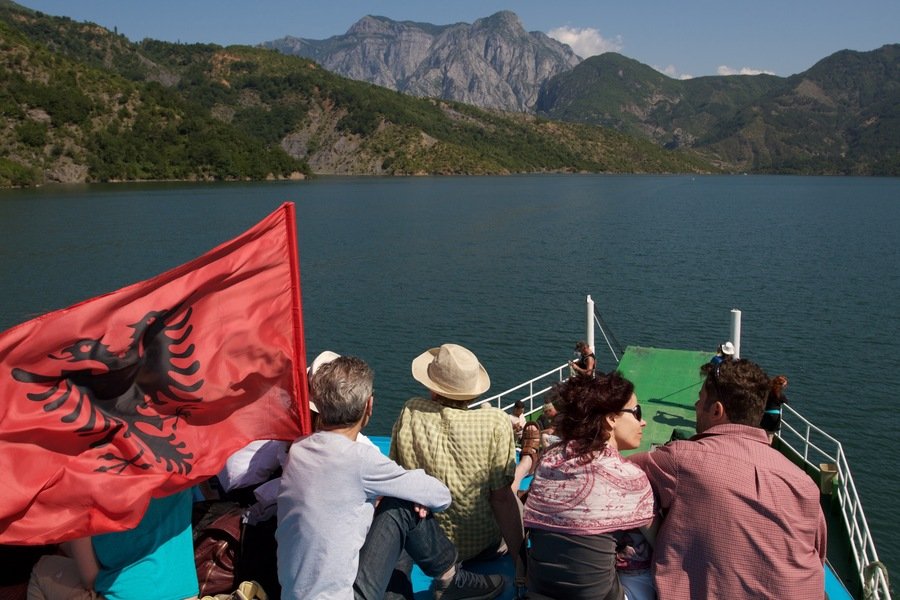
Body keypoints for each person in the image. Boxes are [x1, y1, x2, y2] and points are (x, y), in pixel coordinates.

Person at [277, 355, 502, 600]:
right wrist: (405, 492)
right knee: (402, 507)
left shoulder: (297, 450)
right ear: (369, 406)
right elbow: (441, 496)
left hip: (294, 593)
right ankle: (451, 579)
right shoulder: (362, 460)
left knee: (397, 512)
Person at [629, 359, 826, 599]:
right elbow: (818, 554)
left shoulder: (683, 460)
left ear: (716, 410)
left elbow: (614, 472)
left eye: (700, 399)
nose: (695, 404)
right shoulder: (804, 483)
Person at [523, 373, 656, 600]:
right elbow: (661, 542)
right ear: (611, 418)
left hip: (539, 590)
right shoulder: (629, 476)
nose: (642, 421)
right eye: (637, 412)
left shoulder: (550, 459)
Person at [390, 344, 524, 567]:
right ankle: (527, 462)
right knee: (514, 498)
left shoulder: (411, 411)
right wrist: (521, 563)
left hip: (426, 545)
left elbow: (397, 473)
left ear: (432, 387)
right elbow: (501, 499)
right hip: (481, 546)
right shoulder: (495, 422)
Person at [27, 489, 199, 600]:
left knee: (42, 569)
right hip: (186, 595)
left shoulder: (83, 482)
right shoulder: (181, 463)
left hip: (123, 595)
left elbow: (90, 578)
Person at [760, 374, 789, 442]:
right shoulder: (780, 395)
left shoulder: (767, 391)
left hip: (765, 415)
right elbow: (786, 402)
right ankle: (767, 450)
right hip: (775, 416)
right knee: (770, 436)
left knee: (763, 434)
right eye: (785, 385)